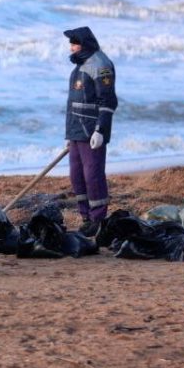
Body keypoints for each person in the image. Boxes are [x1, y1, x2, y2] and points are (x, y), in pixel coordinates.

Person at [64, 26, 118, 235]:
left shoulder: (100, 65)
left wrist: (101, 131)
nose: (71, 48)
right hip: (76, 131)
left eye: (74, 44)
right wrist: (68, 135)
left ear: (84, 44)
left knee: (92, 175)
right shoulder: (79, 66)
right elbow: (72, 103)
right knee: (76, 175)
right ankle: (86, 216)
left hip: (91, 131)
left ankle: (98, 219)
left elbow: (108, 101)